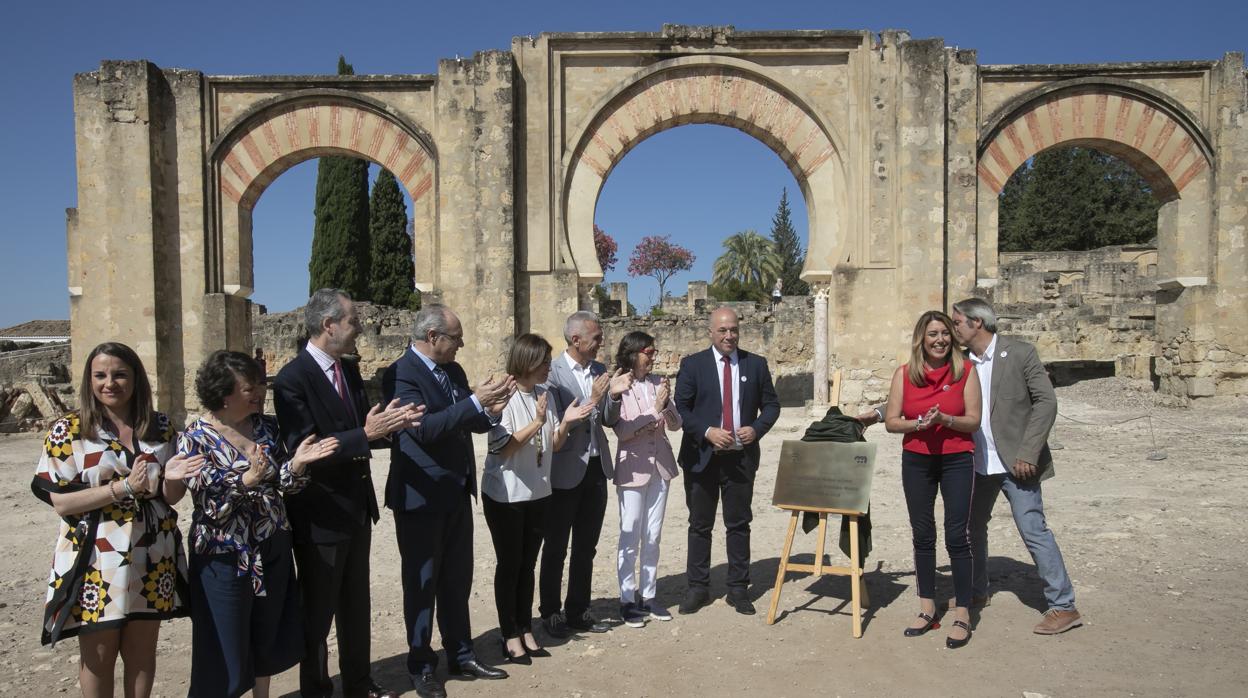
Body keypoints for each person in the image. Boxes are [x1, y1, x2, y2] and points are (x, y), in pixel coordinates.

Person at [272, 289, 423, 698]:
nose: (360, 327)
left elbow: (360, 430)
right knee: (318, 614)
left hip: (356, 508)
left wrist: (390, 426)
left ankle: (358, 683)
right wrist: (366, 433)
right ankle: (317, 690)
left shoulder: (349, 370)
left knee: (356, 607)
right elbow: (308, 448)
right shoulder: (291, 380)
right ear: (329, 325)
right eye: (353, 320)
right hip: (320, 513)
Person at [30, 342, 201, 698]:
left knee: (141, 654)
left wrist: (173, 478)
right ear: (89, 380)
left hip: (153, 553)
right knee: (99, 654)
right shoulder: (70, 431)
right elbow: (61, 503)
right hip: (96, 557)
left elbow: (170, 497)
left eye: (120, 374)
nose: (110, 383)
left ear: (136, 378)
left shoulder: (162, 427)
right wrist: (122, 488)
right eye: (101, 375)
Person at [180, 350, 338, 698]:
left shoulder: (267, 427)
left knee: (267, 631)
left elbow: (284, 485)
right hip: (223, 553)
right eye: (249, 387)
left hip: (272, 544)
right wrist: (246, 481)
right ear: (223, 393)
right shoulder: (196, 437)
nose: (259, 391)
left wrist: (296, 466)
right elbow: (210, 506)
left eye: (259, 383)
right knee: (227, 639)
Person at [383, 304, 514, 698]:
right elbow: (422, 429)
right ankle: (421, 665)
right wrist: (473, 403)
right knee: (422, 584)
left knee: (457, 580)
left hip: (456, 492)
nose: (462, 344)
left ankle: (461, 652)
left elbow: (464, 421)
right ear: (433, 337)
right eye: (456, 338)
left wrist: (489, 410)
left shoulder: (453, 372)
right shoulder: (401, 373)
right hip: (420, 497)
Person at [951, 297, 1082, 635]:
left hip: (1017, 464)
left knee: (1032, 529)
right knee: (971, 529)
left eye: (957, 323)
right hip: (978, 463)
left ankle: (1063, 605)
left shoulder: (1020, 353)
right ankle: (977, 591)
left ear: (976, 322)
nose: (954, 329)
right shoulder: (961, 363)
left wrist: (1029, 452)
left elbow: (1046, 402)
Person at [482, 334, 593, 663]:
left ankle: (524, 627)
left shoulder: (545, 394)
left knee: (528, 565)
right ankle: (508, 634)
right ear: (528, 361)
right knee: (510, 564)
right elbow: (503, 448)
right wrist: (538, 422)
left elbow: (554, 445)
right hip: (507, 495)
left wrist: (567, 424)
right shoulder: (504, 394)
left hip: (539, 492)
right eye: (545, 361)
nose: (549, 367)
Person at [883, 311, 982, 649]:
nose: (939, 340)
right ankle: (927, 607)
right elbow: (892, 421)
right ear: (921, 341)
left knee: (957, 535)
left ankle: (963, 612)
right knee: (923, 533)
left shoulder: (966, 371)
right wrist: (918, 425)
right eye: (932, 335)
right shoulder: (904, 375)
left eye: (944, 333)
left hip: (957, 458)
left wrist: (947, 419)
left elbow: (973, 421)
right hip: (917, 459)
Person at [674, 306, 781, 616]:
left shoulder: (756, 365)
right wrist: (707, 431)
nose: (729, 335)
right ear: (710, 332)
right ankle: (698, 587)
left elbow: (772, 406)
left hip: (740, 459)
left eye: (733, 329)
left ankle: (738, 588)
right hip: (701, 458)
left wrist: (756, 428)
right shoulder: (693, 365)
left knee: (738, 524)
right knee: (699, 525)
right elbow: (682, 408)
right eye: (722, 330)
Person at [539, 311, 629, 636]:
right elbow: (557, 420)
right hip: (564, 469)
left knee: (585, 547)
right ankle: (550, 611)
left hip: (595, 468)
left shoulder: (600, 370)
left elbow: (606, 419)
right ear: (575, 340)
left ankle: (579, 609)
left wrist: (614, 395)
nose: (600, 344)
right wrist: (592, 398)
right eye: (595, 339)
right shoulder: (551, 374)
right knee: (556, 546)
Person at [603, 331, 682, 627]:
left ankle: (649, 595)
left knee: (653, 534)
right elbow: (623, 431)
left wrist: (667, 404)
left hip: (661, 466)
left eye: (654, 351)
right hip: (632, 468)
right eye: (648, 352)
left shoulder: (657, 383)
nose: (653, 357)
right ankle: (626, 599)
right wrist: (655, 410)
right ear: (633, 353)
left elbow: (676, 425)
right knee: (630, 533)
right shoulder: (619, 386)